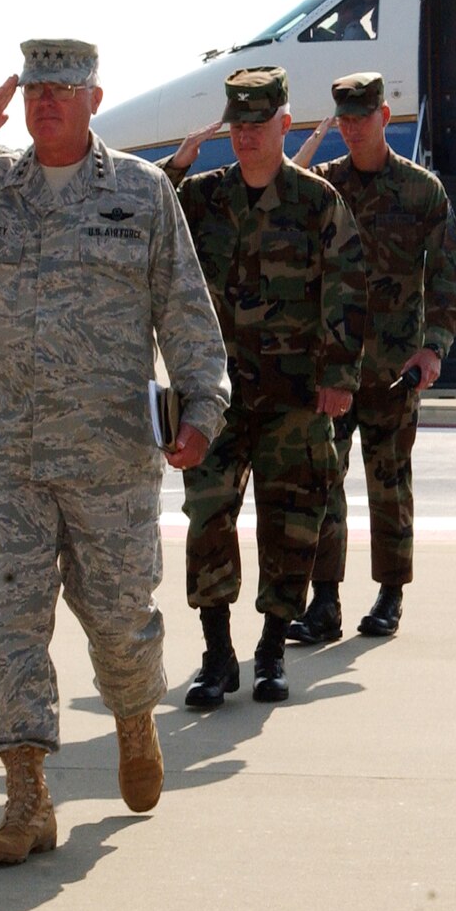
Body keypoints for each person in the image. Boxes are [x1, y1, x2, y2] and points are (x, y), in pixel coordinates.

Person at [0, 39, 229, 866]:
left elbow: (186, 312)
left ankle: (135, 718)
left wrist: (201, 410)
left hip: (110, 460)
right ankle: (26, 797)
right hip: (8, 457)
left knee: (118, 624)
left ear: (94, 98)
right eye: (34, 88)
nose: (47, 101)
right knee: (12, 625)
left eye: (64, 88)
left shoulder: (139, 193)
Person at [171, 66, 365, 708]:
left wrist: (339, 378)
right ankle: (217, 654)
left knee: (290, 525)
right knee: (208, 517)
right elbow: (141, 221)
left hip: (294, 398)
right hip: (216, 398)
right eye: (238, 125)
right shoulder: (199, 197)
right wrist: (174, 166)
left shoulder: (316, 202)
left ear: (284, 123)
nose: (247, 136)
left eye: (259, 124)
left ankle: (273, 652)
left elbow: (346, 287)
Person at [288, 72, 456, 642]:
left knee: (389, 483)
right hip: (335, 368)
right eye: (343, 120)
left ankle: (390, 595)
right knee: (323, 484)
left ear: (384, 118)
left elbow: (449, 279)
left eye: (361, 119)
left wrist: (433, 349)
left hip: (394, 371)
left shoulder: (420, 192)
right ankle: (326, 603)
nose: (351, 130)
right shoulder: (324, 187)